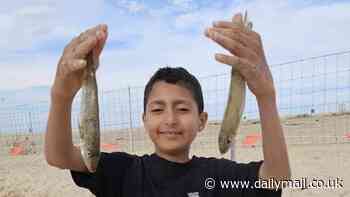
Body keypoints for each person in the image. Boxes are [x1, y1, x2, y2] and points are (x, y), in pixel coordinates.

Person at [45, 12, 290, 197]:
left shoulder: (217, 175)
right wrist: (61, 95)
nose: (170, 119)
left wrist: (266, 96)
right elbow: (59, 156)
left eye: (182, 109)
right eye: (157, 109)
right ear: (144, 119)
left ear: (202, 120)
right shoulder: (123, 171)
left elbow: (276, 179)